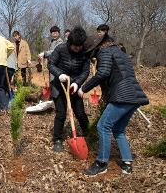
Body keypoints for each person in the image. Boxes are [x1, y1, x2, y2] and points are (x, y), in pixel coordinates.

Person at [78, 34, 149, 176]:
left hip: (122, 96)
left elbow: (103, 73)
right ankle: (127, 162)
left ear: (95, 48)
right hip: (134, 96)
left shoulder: (104, 52)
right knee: (118, 129)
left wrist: (83, 88)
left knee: (103, 126)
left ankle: (101, 163)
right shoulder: (119, 52)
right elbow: (117, 74)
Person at [48, 27, 90, 152]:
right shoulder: (60, 48)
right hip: (59, 86)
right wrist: (59, 74)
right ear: (70, 42)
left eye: (80, 46)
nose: (77, 49)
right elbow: (50, 64)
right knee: (61, 114)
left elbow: (86, 71)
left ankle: (88, 135)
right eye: (75, 46)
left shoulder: (84, 52)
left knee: (80, 113)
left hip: (74, 86)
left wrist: (77, 83)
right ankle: (57, 139)